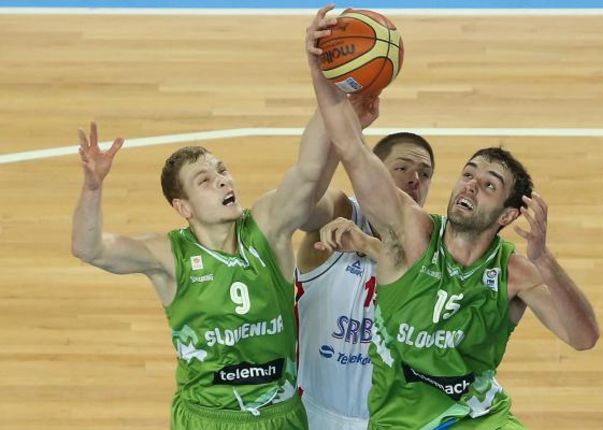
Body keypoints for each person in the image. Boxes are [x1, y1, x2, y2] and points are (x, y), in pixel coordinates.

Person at [305, 5, 600, 429]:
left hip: (482, 420)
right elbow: (351, 147)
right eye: (467, 175)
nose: (469, 186)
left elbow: (583, 338)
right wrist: (321, 70)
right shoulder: (411, 232)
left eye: (488, 185)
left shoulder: (515, 273)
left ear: (508, 215)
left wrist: (546, 261)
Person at [70, 41, 379, 428]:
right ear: (184, 207)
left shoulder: (267, 226)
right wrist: (93, 189)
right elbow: (88, 247)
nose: (221, 181)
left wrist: (329, 77)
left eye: (221, 170)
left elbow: (309, 169)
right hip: (206, 417)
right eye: (204, 180)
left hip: (277, 416)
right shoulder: (168, 254)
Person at [295, 131, 435, 430]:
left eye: (425, 174)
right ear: (372, 173)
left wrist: (367, 245)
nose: (415, 179)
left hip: (394, 419)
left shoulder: (432, 241)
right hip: (313, 413)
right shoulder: (339, 210)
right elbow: (300, 209)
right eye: (402, 168)